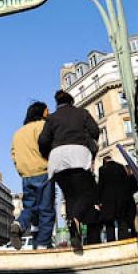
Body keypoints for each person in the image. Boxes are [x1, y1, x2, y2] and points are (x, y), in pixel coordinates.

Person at [38, 90, 102, 251]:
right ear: (72, 101)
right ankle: (76, 219)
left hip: (57, 159)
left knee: (70, 196)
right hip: (78, 155)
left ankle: (75, 233)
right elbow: (95, 131)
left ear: (57, 103)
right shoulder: (82, 113)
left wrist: (50, 154)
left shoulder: (51, 118)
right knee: (88, 192)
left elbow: (43, 140)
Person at [10, 101, 56, 250]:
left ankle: (19, 223)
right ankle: (43, 244)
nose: (48, 113)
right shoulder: (43, 126)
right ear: (41, 112)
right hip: (43, 170)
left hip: (26, 175)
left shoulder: (18, 133)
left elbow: (13, 154)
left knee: (30, 207)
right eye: (47, 110)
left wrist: (21, 169)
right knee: (46, 210)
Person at [97, 156, 138, 242]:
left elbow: (101, 185)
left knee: (109, 223)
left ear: (104, 161)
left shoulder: (102, 169)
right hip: (121, 199)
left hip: (108, 201)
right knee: (122, 220)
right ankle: (124, 239)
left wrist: (99, 200)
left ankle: (111, 241)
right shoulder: (120, 166)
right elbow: (126, 182)